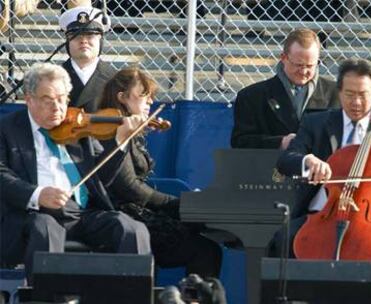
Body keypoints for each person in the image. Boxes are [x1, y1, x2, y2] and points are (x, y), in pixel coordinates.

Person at [269, 59, 371, 298]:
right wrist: (309, 161)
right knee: (283, 237)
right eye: (349, 94)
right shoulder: (316, 122)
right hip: (322, 213)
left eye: (363, 95)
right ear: (339, 93)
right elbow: (286, 160)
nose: (356, 102)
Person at [0, 62, 151, 282]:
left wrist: (119, 143)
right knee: (45, 228)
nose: (57, 107)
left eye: (62, 99)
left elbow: (102, 179)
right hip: (33, 215)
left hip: (80, 212)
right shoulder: (7, 129)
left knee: (131, 229)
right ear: (29, 100)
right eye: (48, 100)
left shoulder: (78, 126)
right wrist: (37, 194)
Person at [97, 67, 222, 278]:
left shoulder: (131, 133)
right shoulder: (111, 134)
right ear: (122, 98)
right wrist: (174, 204)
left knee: (205, 240)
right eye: (143, 96)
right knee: (204, 250)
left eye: (151, 97)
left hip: (136, 210)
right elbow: (128, 187)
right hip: (120, 215)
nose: (149, 102)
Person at [231, 28, 340, 149]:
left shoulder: (336, 94)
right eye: (298, 64)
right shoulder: (251, 97)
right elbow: (240, 142)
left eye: (310, 66)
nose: (303, 71)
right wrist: (280, 142)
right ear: (283, 58)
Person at [59, 6, 116, 112]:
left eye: (90, 36)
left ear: (100, 40)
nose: (84, 41)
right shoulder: (53, 77)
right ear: (67, 41)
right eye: (77, 36)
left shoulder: (115, 79)